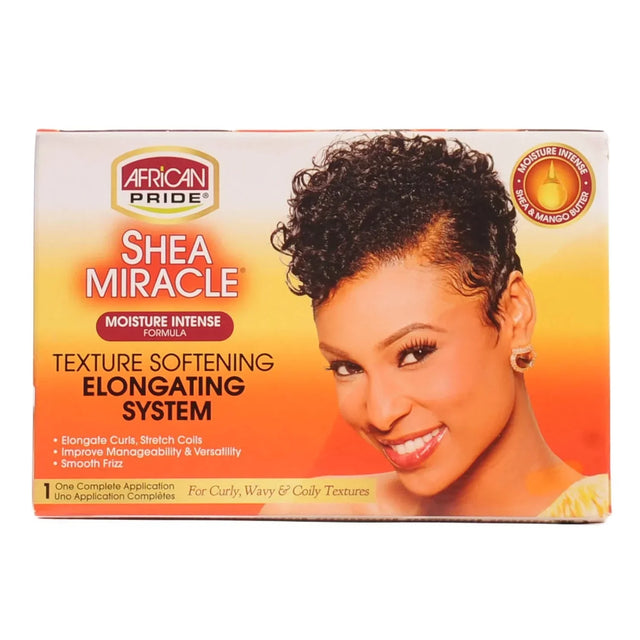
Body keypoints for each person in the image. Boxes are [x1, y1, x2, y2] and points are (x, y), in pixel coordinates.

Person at [269, 132, 609, 519]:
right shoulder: (310, 514)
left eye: (415, 353)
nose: (380, 413)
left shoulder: (608, 515)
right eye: (347, 367)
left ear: (514, 314)